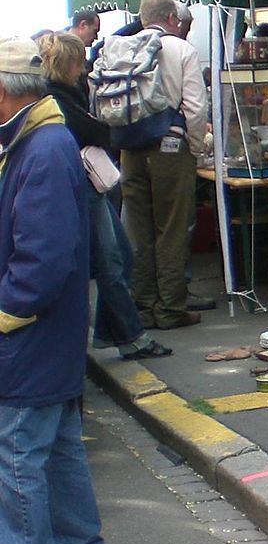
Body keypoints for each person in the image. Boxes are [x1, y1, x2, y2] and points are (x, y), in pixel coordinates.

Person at [0, 37, 108, 544]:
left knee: (18, 448)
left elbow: (41, 260)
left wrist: (5, 316)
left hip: (33, 329)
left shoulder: (41, 147)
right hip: (50, 327)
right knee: (58, 442)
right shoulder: (42, 138)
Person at [37, 33, 169, 361]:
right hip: (84, 183)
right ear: (69, 63)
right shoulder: (59, 97)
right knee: (113, 260)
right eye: (79, 63)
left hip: (87, 181)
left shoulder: (64, 93)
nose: (83, 69)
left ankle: (118, 332)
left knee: (118, 256)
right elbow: (94, 131)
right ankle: (129, 337)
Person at [117, 0, 207, 330]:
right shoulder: (181, 50)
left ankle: (142, 306)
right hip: (169, 147)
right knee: (171, 227)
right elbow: (196, 108)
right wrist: (195, 147)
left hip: (129, 147)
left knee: (138, 230)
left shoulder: (123, 46)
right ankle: (170, 308)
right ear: (172, 18)